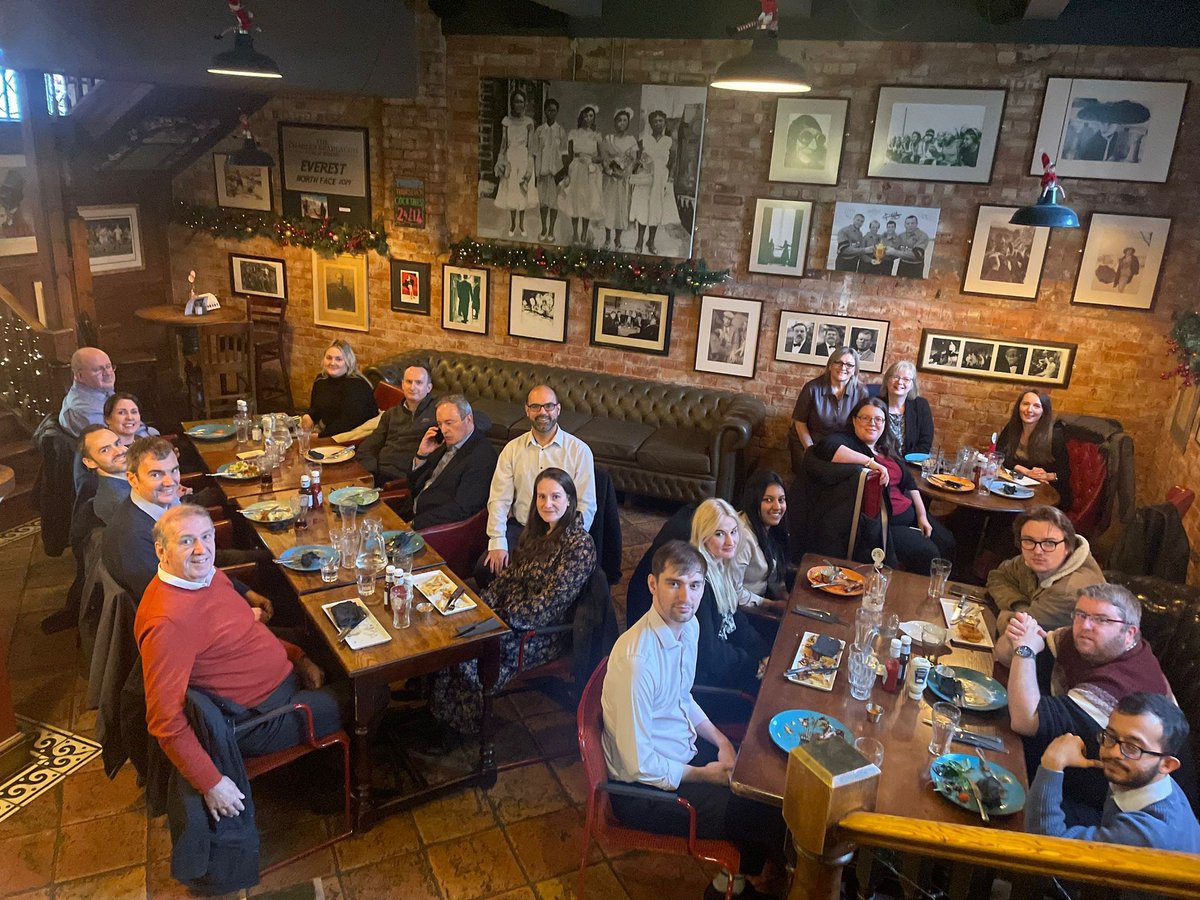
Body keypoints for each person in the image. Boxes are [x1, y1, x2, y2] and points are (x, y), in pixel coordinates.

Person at [602, 540, 785, 900]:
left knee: (768, 782)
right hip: (644, 789)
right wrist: (706, 775)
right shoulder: (637, 662)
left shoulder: (690, 628)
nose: (686, 596)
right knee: (767, 814)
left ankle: (730, 883)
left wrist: (722, 741)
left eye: (695, 585)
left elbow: (682, 697)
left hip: (678, 751)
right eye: (674, 583)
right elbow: (638, 764)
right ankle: (732, 889)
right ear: (653, 585)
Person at [136, 505, 341, 824]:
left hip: (281, 683)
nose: (202, 549)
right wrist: (211, 783)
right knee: (371, 692)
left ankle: (314, 767)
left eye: (207, 536)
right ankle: (331, 788)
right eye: (187, 541)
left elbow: (247, 634)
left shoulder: (206, 575)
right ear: (161, 551)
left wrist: (298, 656)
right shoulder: (168, 622)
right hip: (262, 718)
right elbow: (164, 720)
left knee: (334, 645)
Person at [431, 468, 595, 734]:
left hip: (537, 634)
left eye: (555, 496)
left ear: (570, 500)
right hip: (506, 618)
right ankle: (442, 720)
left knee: (465, 654)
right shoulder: (536, 534)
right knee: (450, 634)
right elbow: (508, 579)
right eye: (541, 497)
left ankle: (467, 729)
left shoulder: (579, 545)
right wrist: (481, 607)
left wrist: (500, 617)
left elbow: (550, 605)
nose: (547, 504)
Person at [995, 584, 1178, 822]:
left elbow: (1025, 720)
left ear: (1130, 633)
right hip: (1076, 762)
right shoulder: (1087, 642)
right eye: (1081, 615)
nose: (1085, 626)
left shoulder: (1121, 683)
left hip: (1117, 809)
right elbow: (1004, 656)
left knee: (992, 788)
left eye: (1101, 620)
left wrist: (1025, 650)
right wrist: (1018, 636)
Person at [103, 437, 271, 612]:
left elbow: (198, 566)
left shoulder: (167, 502)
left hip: (203, 587)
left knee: (269, 561)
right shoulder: (132, 538)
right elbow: (172, 604)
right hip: (191, 622)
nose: (170, 482)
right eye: (156, 474)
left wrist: (244, 591)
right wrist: (240, 615)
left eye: (174, 471)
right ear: (133, 479)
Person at [1027, 692, 1200, 855]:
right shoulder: (1153, 780)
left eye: (1133, 747)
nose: (1114, 753)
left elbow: (1044, 847)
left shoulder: (1149, 834)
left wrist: (1052, 763)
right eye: (1110, 736)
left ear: (1167, 765)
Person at [815, 397, 956, 574]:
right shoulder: (849, 443)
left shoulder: (886, 447)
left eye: (878, 419)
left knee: (947, 541)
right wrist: (872, 463)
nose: (872, 423)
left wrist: (922, 515)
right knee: (927, 552)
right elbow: (826, 447)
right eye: (865, 418)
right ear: (854, 420)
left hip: (910, 513)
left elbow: (909, 483)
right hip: (885, 524)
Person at [482, 385, 596, 577]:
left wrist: (570, 543)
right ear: (527, 411)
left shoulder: (579, 451)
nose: (542, 412)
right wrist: (497, 540)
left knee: (546, 576)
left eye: (548, 406)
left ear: (558, 410)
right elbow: (499, 499)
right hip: (522, 529)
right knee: (486, 571)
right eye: (536, 406)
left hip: (560, 533)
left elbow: (586, 505)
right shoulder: (511, 449)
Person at [690, 498, 770, 693]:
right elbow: (709, 653)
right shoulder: (698, 584)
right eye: (719, 534)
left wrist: (764, 654)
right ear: (703, 537)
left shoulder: (721, 567)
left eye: (733, 532)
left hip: (728, 666)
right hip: (707, 684)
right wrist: (753, 667)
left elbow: (736, 621)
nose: (730, 541)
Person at [987, 505, 1105, 632]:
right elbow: (998, 576)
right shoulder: (1037, 558)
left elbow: (1018, 629)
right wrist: (1019, 604)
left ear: (1067, 546)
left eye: (1049, 543)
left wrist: (1005, 614)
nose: (1038, 551)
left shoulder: (1069, 591)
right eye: (1029, 540)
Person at [405, 395, 498, 530]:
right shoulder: (442, 443)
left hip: (432, 528)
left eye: (449, 423)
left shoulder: (482, 457)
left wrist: (415, 524)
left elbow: (461, 508)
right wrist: (421, 455)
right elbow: (412, 484)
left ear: (468, 419)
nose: (443, 430)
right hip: (409, 511)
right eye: (439, 424)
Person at [789, 347, 868, 472]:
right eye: (838, 362)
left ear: (854, 370)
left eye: (849, 365)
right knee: (812, 473)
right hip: (810, 441)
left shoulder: (861, 392)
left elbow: (862, 424)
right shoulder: (812, 388)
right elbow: (800, 422)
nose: (843, 368)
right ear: (830, 365)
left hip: (841, 446)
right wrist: (810, 450)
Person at [357, 365, 437, 485]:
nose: (412, 387)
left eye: (419, 383)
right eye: (409, 382)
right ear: (402, 385)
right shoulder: (391, 414)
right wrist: (370, 474)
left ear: (429, 387)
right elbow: (369, 447)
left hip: (407, 480)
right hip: (379, 474)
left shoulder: (437, 414)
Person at [995, 388, 1073, 511]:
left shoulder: (1055, 436)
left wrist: (1047, 475)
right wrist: (1025, 471)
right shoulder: (1012, 427)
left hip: (1046, 495)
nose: (1029, 410)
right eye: (1025, 404)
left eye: (1036, 406)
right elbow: (999, 456)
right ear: (1019, 407)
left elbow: (1065, 473)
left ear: (1044, 411)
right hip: (1017, 487)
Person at [734, 470, 793, 607]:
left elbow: (774, 575)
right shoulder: (742, 537)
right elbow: (733, 592)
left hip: (763, 602)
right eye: (768, 500)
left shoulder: (769, 527)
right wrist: (770, 605)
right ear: (754, 501)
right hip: (746, 612)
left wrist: (787, 600)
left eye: (781, 500)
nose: (777, 507)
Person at [299, 340, 378, 439]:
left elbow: (348, 424)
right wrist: (309, 416)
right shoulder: (321, 379)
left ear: (348, 362)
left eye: (338, 359)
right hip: (329, 430)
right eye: (329, 358)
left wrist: (319, 436)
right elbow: (317, 407)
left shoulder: (357, 385)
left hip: (353, 438)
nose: (332, 363)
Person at [629, 109, 679, 255]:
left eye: (660, 121)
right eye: (655, 121)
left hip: (660, 178)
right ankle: (639, 241)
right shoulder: (644, 140)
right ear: (650, 124)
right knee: (643, 209)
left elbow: (673, 162)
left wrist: (670, 179)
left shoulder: (669, 141)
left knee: (656, 211)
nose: (658, 124)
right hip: (646, 178)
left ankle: (651, 242)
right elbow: (636, 160)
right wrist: (641, 162)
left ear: (664, 123)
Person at [493, 89, 538, 238]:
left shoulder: (529, 123)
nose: (518, 104)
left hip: (524, 158)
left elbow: (531, 147)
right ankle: (513, 224)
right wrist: (500, 160)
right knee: (512, 191)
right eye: (516, 101)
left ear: (525, 103)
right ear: (512, 103)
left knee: (522, 190)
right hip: (511, 158)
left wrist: (530, 166)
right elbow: (503, 144)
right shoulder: (506, 121)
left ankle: (522, 224)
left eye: (521, 101)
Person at [559, 103, 604, 246]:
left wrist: (591, 159)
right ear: (581, 116)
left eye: (591, 116)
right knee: (575, 201)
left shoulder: (596, 136)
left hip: (590, 171)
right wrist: (567, 172)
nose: (588, 118)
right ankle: (575, 233)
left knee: (587, 201)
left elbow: (601, 157)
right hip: (576, 169)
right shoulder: (573, 133)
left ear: (593, 118)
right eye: (585, 115)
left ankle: (585, 232)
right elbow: (569, 155)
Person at [877, 360, 934, 457]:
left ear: (912, 384)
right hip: (881, 461)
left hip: (911, 462)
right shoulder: (875, 404)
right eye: (895, 377)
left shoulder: (921, 405)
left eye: (906, 379)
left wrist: (906, 462)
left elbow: (925, 443)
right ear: (887, 380)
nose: (900, 382)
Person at [78, 424, 132, 524]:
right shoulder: (119, 501)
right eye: (105, 450)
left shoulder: (132, 478)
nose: (119, 451)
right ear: (90, 462)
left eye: (118, 443)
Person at [601, 107, 638, 250]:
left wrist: (624, 172)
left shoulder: (631, 140)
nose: (621, 123)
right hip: (610, 180)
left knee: (621, 209)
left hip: (622, 180)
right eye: (619, 120)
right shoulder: (608, 139)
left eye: (624, 121)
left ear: (628, 123)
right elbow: (604, 159)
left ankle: (618, 239)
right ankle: (607, 238)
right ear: (614, 122)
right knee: (609, 208)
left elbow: (633, 160)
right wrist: (611, 171)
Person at [59, 347, 116, 437]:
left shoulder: (101, 391)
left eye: (108, 366)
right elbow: (116, 441)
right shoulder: (85, 411)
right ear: (80, 376)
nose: (108, 373)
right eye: (98, 369)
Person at [532, 97, 567, 242]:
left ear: (557, 112)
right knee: (543, 202)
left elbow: (564, 153)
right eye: (548, 110)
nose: (550, 113)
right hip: (542, 172)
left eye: (553, 110)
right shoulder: (540, 130)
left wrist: (564, 174)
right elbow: (534, 153)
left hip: (556, 173)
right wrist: (535, 173)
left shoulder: (560, 130)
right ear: (545, 111)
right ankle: (543, 228)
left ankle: (551, 230)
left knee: (553, 203)